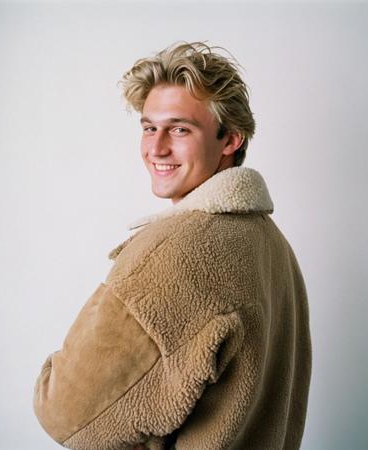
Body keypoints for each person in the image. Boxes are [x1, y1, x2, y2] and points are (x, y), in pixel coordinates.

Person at [33, 41, 312, 450]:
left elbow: (63, 412)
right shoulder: (272, 245)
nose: (156, 148)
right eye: (149, 127)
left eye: (180, 129)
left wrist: (51, 373)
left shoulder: (176, 252)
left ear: (231, 139)